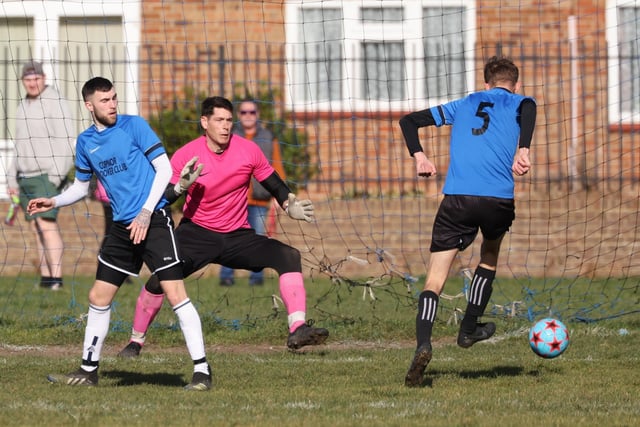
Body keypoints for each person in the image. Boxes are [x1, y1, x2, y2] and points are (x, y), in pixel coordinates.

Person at [28, 77, 211, 390]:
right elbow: (82, 186)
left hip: (152, 221)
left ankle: (202, 373)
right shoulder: (86, 142)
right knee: (98, 296)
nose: (112, 105)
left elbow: (165, 171)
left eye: (113, 98)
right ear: (89, 105)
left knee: (175, 293)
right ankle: (88, 371)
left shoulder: (134, 126)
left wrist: (145, 212)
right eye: (104, 101)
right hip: (122, 227)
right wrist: (54, 200)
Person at [117, 96, 329, 358]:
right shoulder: (186, 155)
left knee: (289, 256)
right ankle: (135, 342)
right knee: (160, 278)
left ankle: (297, 328)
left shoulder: (248, 150)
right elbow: (161, 198)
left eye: (229, 120)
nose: (226, 126)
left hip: (237, 236)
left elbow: (273, 182)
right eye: (219, 120)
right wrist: (180, 187)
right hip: (196, 234)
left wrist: (289, 204)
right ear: (205, 122)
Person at [398, 56, 536, 387]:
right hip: (497, 199)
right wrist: (524, 149)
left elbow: (408, 121)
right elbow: (528, 111)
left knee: (434, 279)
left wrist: (420, 155)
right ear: (514, 85)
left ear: (486, 83)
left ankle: (423, 344)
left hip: (457, 198)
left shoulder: (464, 104)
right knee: (488, 256)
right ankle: (469, 327)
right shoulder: (520, 102)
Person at [7, 60, 75, 290]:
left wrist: (56, 176)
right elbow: (19, 145)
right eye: (27, 79)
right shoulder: (23, 105)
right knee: (35, 228)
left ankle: (57, 278)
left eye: (36, 78)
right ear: (22, 82)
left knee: (47, 225)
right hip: (25, 176)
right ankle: (46, 278)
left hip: (47, 175)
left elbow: (66, 140)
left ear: (43, 78)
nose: (32, 83)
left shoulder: (55, 101)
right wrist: (11, 178)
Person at [219, 99, 286, 287]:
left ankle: (256, 277)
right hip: (234, 199)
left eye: (252, 112)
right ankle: (226, 276)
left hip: (259, 199)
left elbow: (276, 167)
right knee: (229, 237)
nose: (248, 116)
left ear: (258, 115)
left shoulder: (268, 137)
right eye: (243, 112)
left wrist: (278, 196)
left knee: (257, 240)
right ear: (238, 116)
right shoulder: (230, 136)